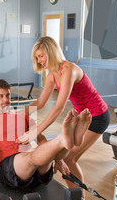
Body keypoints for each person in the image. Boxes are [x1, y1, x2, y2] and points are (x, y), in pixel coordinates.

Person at [18, 36, 110, 187]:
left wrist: (36, 131)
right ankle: (75, 199)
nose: (40, 60)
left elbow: (59, 107)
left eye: (41, 56)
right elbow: (41, 102)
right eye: (37, 57)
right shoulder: (51, 75)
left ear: (51, 52)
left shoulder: (69, 69)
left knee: (68, 159)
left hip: (97, 116)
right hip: (82, 118)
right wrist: (19, 114)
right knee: (63, 157)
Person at [0, 79, 92, 190]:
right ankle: (64, 139)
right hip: (9, 170)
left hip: (39, 174)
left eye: (8, 95)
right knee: (31, 156)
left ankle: (69, 140)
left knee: (38, 154)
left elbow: (41, 139)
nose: (5, 99)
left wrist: (58, 160)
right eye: (1, 96)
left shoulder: (22, 117)